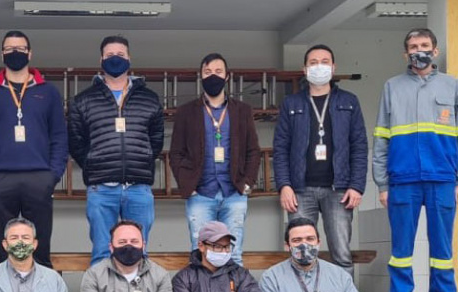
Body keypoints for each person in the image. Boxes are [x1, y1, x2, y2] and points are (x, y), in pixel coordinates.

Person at [372, 28, 458, 292]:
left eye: (423, 45)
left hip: (442, 179)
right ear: (405, 53)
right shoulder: (392, 87)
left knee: (442, 252)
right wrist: (382, 184)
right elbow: (381, 137)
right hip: (403, 180)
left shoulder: (452, 86)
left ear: (435, 51)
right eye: (412, 46)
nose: (418, 50)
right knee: (401, 252)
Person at [0, 31, 68, 267]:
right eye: (10, 48)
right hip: (0, 178)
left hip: (39, 177)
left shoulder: (48, 91)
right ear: (2, 53)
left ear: (30, 53)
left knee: (39, 245)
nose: (15, 52)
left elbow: (59, 136)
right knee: (2, 245)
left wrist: (52, 175)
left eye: (21, 48)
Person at [67, 36, 164, 265]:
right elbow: (76, 141)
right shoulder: (83, 100)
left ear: (129, 58)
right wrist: (93, 164)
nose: (115, 59)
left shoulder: (149, 99)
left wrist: (144, 159)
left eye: (120, 55)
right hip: (101, 188)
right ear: (101, 59)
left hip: (139, 187)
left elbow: (156, 139)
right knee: (102, 252)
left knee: (140, 251)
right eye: (110, 55)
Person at [273, 44, 368, 276]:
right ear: (305, 69)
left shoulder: (349, 101)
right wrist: (284, 186)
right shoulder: (292, 104)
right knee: (301, 252)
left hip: (339, 190)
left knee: (341, 254)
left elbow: (359, 147)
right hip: (300, 190)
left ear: (333, 67)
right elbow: (281, 148)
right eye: (313, 62)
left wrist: (356, 186)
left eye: (324, 62)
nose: (319, 66)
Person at [170, 53, 261, 265]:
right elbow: (176, 153)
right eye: (208, 72)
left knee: (234, 254)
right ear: (200, 76)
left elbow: (253, 151)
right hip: (201, 193)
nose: (213, 76)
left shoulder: (242, 111)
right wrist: (187, 185)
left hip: (234, 193)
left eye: (218, 72)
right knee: (200, 254)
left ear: (227, 76)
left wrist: (247, 184)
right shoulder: (186, 112)